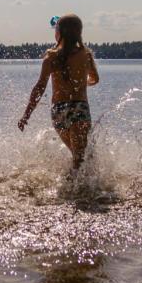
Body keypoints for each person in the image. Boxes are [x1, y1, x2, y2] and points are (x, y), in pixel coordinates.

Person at [18, 14, 100, 169]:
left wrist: (26, 115)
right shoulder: (85, 54)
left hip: (59, 111)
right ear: (79, 34)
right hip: (80, 109)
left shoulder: (51, 56)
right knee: (82, 159)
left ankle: (74, 189)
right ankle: (85, 190)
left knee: (77, 158)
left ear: (59, 33)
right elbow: (95, 79)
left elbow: (39, 88)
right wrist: (81, 83)